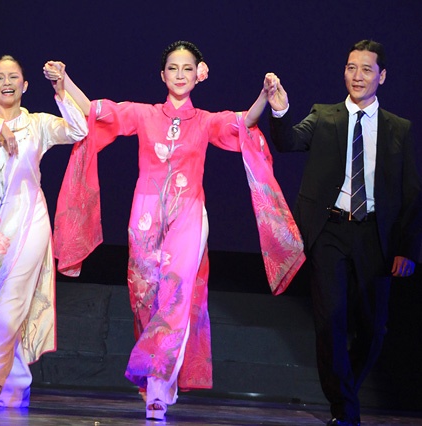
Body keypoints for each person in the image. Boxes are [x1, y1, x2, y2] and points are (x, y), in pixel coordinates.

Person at [45, 41, 305, 420]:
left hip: (189, 215)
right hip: (145, 215)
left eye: (187, 68)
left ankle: (157, 386)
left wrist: (265, 96)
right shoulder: (144, 114)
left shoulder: (206, 121)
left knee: (177, 294)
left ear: (198, 75)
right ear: (162, 75)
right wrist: (65, 79)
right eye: (173, 68)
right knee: (145, 296)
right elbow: (96, 110)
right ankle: (155, 377)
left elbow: (244, 121)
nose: (180, 75)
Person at [267, 40, 422, 426]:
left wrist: (408, 249)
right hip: (330, 232)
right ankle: (345, 412)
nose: (358, 76)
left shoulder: (398, 129)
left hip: (374, 236)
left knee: (374, 329)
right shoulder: (324, 116)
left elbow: (411, 193)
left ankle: (344, 391)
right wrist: (280, 110)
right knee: (330, 321)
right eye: (352, 68)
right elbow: (287, 142)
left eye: (367, 69)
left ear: (381, 77)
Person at [0, 55, 88, 407]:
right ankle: (15, 380)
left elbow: (78, 130)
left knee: (10, 307)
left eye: (13, 77)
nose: (6, 83)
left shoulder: (37, 124)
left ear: (24, 85)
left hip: (28, 220)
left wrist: (61, 88)